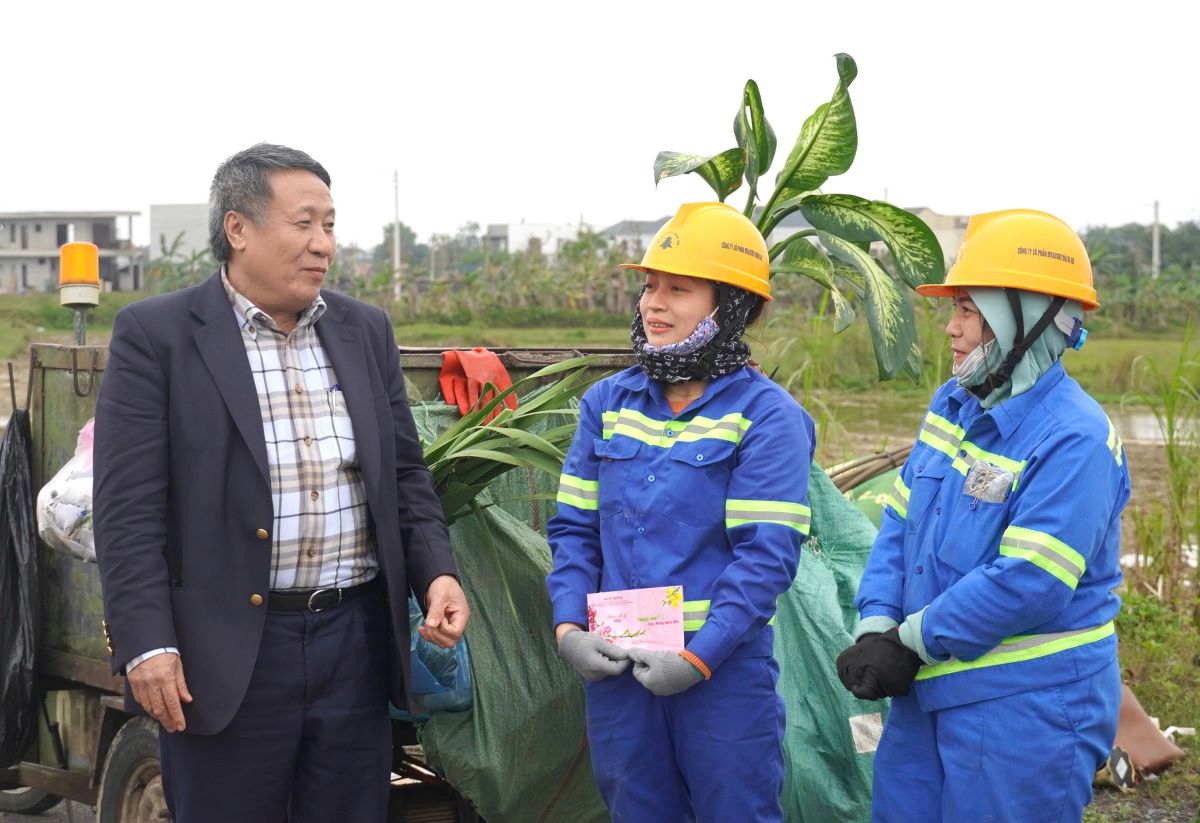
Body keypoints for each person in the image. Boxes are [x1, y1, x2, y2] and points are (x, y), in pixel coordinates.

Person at [94, 143, 469, 822]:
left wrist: (434, 573)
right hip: (228, 649)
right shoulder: (159, 336)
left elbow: (404, 475)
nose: (323, 243)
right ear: (239, 228)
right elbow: (127, 510)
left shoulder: (364, 331)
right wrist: (147, 641)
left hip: (352, 640)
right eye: (304, 223)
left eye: (330, 224)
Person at [837, 209, 1128, 821]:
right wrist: (877, 622)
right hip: (928, 688)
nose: (951, 328)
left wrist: (909, 642)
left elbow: (1029, 580)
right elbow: (901, 523)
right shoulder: (955, 403)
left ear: (1028, 318)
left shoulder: (1074, 439)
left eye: (969, 309)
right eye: (956, 309)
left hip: (1027, 709)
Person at [546, 202, 815, 822]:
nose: (653, 304)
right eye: (649, 286)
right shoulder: (606, 404)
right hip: (618, 670)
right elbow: (574, 531)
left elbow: (766, 555)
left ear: (731, 306)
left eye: (678, 289)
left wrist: (698, 658)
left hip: (719, 675)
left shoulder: (765, 415)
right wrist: (568, 630)